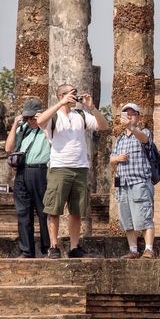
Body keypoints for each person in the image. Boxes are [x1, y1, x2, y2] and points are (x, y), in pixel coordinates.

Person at [37, 84, 110, 259]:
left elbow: (104, 126)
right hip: (60, 167)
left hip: (80, 168)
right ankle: (54, 246)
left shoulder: (82, 115)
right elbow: (40, 122)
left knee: (77, 211)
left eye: (75, 94)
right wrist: (60, 103)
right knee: (54, 209)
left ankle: (75, 246)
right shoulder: (53, 117)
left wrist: (91, 107)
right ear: (61, 95)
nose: (74, 97)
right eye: (71, 93)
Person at [110, 103, 156, 259]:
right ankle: (133, 250)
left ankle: (149, 249)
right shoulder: (120, 138)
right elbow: (111, 158)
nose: (129, 116)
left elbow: (144, 140)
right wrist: (116, 158)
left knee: (144, 217)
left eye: (132, 114)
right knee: (127, 219)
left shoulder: (144, 132)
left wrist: (132, 127)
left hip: (139, 182)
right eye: (126, 114)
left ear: (138, 116)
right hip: (123, 183)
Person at [5, 99, 51, 258]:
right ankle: (26, 250)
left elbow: (54, 143)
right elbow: (8, 148)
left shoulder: (47, 129)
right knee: (23, 213)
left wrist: (42, 122)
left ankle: (47, 248)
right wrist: (15, 125)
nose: (30, 121)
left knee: (44, 212)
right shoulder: (23, 129)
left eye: (33, 118)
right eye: (28, 118)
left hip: (41, 171)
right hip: (22, 172)